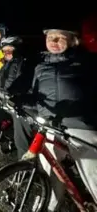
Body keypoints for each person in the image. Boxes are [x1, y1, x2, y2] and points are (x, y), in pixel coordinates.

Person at [13, 27, 97, 211]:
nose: (54, 41)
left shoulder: (86, 62)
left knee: (93, 178)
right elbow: (35, 96)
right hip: (50, 127)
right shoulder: (41, 66)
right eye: (50, 37)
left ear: (73, 40)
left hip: (80, 127)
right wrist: (20, 100)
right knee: (52, 174)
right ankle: (49, 207)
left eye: (60, 37)